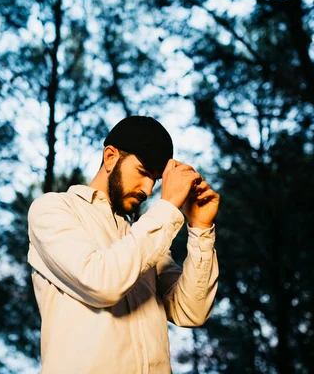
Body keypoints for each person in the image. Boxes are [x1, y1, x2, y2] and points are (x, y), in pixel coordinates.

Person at [27, 116, 220, 373]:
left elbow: (192, 311)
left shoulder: (144, 237)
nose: (149, 189)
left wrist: (200, 228)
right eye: (143, 173)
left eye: (155, 179)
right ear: (110, 157)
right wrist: (168, 206)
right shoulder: (53, 209)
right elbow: (101, 283)